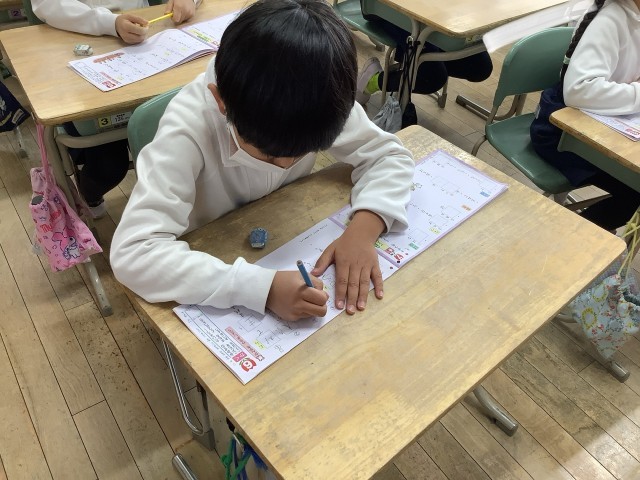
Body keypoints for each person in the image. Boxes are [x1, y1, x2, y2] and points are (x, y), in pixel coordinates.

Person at [110, 0, 414, 322]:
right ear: (222, 104)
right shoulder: (188, 128)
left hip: (279, 229)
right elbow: (134, 254)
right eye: (269, 154)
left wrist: (364, 228)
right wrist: (261, 288)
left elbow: (389, 155)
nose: (285, 165)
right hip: (206, 254)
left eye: (303, 152)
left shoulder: (320, 92)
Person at [31, 0, 199, 216]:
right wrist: (110, 23)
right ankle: (90, 196)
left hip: (145, 45)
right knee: (108, 167)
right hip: (82, 56)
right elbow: (48, 5)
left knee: (174, 149)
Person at [530, 0, 640, 231]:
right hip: (560, 133)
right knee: (635, 192)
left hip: (605, 125)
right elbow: (579, 91)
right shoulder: (611, 19)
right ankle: (573, 243)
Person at [355, 4, 493, 105]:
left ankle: (419, 64)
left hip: (438, 12)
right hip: (388, 9)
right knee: (433, 77)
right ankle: (373, 81)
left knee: (480, 66)